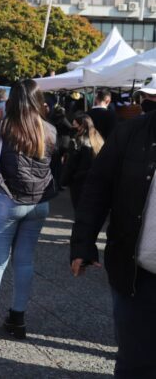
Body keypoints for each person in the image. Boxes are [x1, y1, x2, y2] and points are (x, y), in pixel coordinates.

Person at [70, 90, 156, 378]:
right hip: (137, 274)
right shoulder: (132, 133)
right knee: (135, 363)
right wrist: (82, 243)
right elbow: (98, 187)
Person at [0, 79, 57, 341]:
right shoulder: (50, 130)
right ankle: (17, 319)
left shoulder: (3, 127)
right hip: (39, 203)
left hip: (7, 200)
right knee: (25, 260)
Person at [60, 114, 104, 210]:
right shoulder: (98, 139)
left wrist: (63, 181)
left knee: (80, 211)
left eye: (75, 125)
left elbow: (70, 165)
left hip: (79, 183)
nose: (72, 128)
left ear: (81, 126)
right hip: (95, 182)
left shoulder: (77, 142)